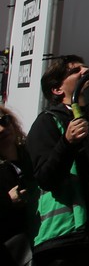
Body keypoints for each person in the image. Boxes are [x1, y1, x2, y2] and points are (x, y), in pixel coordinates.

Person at [28, 57, 89, 265]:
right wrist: (67, 142)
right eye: (75, 70)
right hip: (68, 239)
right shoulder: (47, 121)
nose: (86, 70)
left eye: (85, 66)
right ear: (57, 89)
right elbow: (45, 178)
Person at [0, 104, 36, 266]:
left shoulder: (33, 154)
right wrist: (8, 201)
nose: (2, 129)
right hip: (17, 253)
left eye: (4, 121)